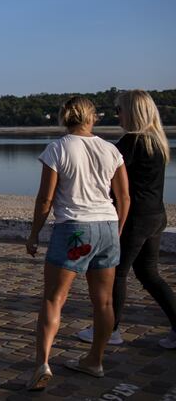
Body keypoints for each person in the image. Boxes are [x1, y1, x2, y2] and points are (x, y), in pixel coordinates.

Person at [24, 96, 129, 391]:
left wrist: (34, 234)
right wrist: (117, 230)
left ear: (65, 117)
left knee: (53, 299)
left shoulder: (58, 148)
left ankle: (42, 363)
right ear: (91, 117)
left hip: (74, 228)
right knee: (104, 301)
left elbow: (45, 199)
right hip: (107, 226)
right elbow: (124, 197)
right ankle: (95, 360)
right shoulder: (111, 150)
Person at [77, 90, 176, 349]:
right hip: (155, 215)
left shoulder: (131, 142)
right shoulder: (157, 141)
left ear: (132, 112)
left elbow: (103, 174)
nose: (117, 115)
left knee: (117, 273)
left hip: (135, 218)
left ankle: (110, 330)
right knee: (149, 274)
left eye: (119, 110)